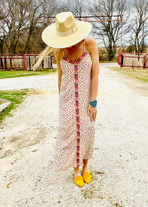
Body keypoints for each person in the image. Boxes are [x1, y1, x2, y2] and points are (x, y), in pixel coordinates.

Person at [32, 11, 99, 187]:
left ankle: (85, 166)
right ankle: (75, 169)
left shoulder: (90, 45)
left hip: (86, 100)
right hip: (67, 100)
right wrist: (61, 102)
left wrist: (93, 102)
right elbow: (60, 77)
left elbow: (95, 76)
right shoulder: (59, 50)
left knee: (87, 130)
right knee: (69, 133)